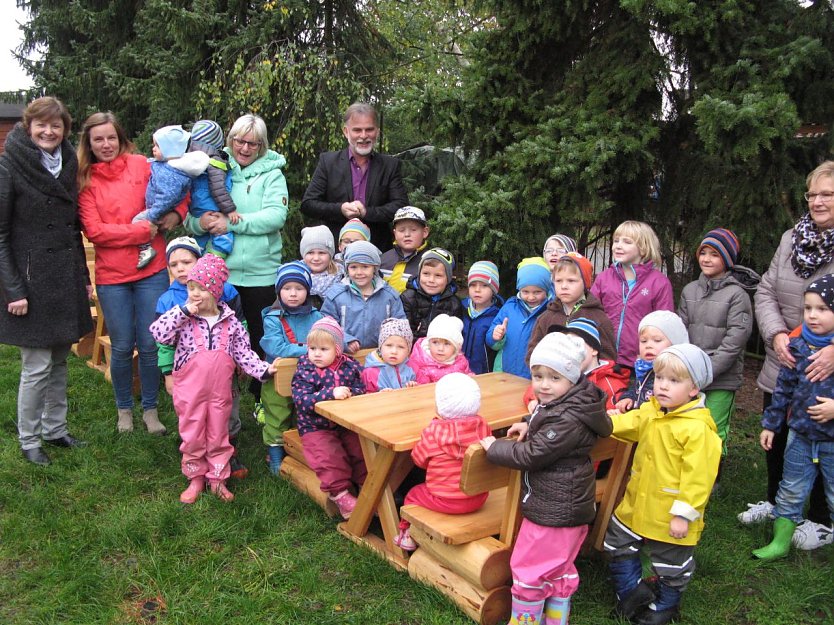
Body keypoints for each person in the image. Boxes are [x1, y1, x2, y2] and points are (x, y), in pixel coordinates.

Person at [482, 332, 612, 625]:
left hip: (553, 510)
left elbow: (532, 456)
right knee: (559, 567)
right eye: (537, 375)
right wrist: (529, 422)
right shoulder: (575, 403)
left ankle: (524, 620)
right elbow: (548, 418)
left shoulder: (568, 418)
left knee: (528, 566)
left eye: (554, 377)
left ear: (571, 378)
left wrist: (495, 447)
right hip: (570, 505)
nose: (543, 384)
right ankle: (555, 619)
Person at [739, 161, 834, 550]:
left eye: (827, 194)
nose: (817, 201)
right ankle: (779, 502)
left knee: (822, 439)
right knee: (776, 434)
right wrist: (777, 334)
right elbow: (764, 290)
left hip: (826, 367)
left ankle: (819, 519)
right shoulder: (790, 238)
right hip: (786, 359)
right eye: (812, 194)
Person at [78, 111, 185, 434]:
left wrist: (176, 217)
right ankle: (124, 408)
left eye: (111, 137)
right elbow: (96, 231)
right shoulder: (85, 180)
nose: (106, 144)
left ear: (121, 138)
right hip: (113, 277)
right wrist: (141, 232)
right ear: (90, 144)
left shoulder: (142, 164)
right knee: (123, 345)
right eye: (99, 139)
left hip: (151, 270)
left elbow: (179, 189)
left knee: (152, 343)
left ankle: (150, 409)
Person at [0, 96, 93, 465]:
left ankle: (56, 430)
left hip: (64, 279)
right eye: (41, 124)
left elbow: (72, 230)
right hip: (30, 283)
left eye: (56, 125)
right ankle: (29, 439)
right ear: (28, 126)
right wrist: (13, 289)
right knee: (36, 367)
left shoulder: (68, 164)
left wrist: (83, 277)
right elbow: (1, 235)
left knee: (58, 361)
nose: (48, 131)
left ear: (65, 130)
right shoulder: (9, 166)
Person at [605, 344, 721, 625]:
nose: (663, 386)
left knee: (671, 564)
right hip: (636, 503)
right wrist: (604, 422)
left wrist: (683, 514)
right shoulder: (653, 411)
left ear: (694, 389)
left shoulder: (697, 429)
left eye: (674, 380)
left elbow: (698, 479)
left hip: (670, 513)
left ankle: (665, 606)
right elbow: (629, 423)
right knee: (616, 543)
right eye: (659, 379)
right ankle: (633, 593)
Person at [150, 255, 277, 503]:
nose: (195, 293)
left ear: (216, 292)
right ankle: (195, 477)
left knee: (219, 434)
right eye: (191, 288)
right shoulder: (184, 318)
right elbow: (158, 332)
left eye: (201, 289)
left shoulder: (230, 322)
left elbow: (243, 352)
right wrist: (182, 312)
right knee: (193, 434)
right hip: (190, 391)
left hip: (220, 391)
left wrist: (262, 369)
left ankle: (218, 479)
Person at [185, 114, 289, 412]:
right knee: (214, 340)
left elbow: (275, 216)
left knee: (259, 340)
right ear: (230, 140)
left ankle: (260, 400)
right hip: (219, 273)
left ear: (262, 145)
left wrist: (232, 224)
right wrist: (199, 222)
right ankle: (217, 400)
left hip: (260, 273)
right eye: (239, 141)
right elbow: (194, 210)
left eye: (252, 143)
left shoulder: (272, 174)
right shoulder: (212, 164)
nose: (244, 148)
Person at [753, 275, 834, 559]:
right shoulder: (798, 346)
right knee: (791, 488)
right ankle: (780, 542)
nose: (813, 315)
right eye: (808, 308)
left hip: (831, 441)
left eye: (823, 309)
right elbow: (783, 389)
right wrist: (771, 426)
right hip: (800, 435)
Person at [155, 237, 249, 477]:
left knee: (227, 411)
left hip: (223, 369)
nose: (180, 268)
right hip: (190, 374)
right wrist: (167, 372)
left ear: (199, 261)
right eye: (174, 264)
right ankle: (196, 458)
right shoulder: (169, 300)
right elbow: (162, 341)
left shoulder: (226, 291)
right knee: (193, 416)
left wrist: (241, 359)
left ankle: (228, 454)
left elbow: (240, 325)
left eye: (186, 261)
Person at [678, 228, 758, 458]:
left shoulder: (737, 295)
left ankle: (713, 476)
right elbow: (681, 330)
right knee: (689, 425)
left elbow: (735, 340)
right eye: (703, 252)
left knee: (713, 427)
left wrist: (708, 371)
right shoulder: (690, 290)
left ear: (727, 259)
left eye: (714, 254)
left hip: (722, 377)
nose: (706, 259)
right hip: (691, 374)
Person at [394, 373, 493, 551]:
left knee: (413, 494)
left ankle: (406, 533)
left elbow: (418, 459)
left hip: (445, 500)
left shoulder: (434, 433)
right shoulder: (483, 426)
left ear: (440, 406)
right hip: (479, 497)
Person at [300, 102, 409, 251]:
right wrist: (340, 209)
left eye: (369, 129)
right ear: (346, 131)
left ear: (377, 131)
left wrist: (367, 212)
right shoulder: (328, 162)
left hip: (377, 252)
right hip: (335, 254)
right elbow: (308, 204)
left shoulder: (390, 166)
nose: (363, 136)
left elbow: (401, 207)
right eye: (357, 130)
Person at [291, 317, 366, 519]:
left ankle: (367, 489)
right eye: (312, 348)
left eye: (323, 349)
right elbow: (301, 399)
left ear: (338, 350)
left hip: (346, 423)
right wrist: (330, 393)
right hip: (315, 427)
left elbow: (363, 388)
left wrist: (351, 392)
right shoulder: (305, 369)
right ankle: (340, 495)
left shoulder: (350, 367)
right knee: (328, 456)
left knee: (360, 449)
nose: (316, 354)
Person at [259, 261, 324, 474]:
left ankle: (298, 450)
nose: (293, 294)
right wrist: (309, 349)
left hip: (308, 377)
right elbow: (276, 346)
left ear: (308, 290)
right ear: (279, 291)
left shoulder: (315, 316)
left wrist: (347, 339)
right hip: (279, 376)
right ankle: (275, 452)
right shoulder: (272, 317)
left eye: (299, 288)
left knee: (303, 413)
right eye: (287, 289)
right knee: (277, 412)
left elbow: (330, 334)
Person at [590, 220, 674, 368]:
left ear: (643, 249)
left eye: (627, 242)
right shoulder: (604, 278)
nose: (618, 245)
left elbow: (665, 326)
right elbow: (590, 313)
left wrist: (652, 354)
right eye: (616, 241)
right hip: (603, 358)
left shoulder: (659, 283)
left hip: (639, 362)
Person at [132, 125, 210, 269]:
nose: (153, 148)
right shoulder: (166, 165)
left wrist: (155, 213)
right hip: (156, 209)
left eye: (157, 146)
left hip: (156, 211)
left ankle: (145, 248)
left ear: (169, 149)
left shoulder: (170, 172)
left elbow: (169, 196)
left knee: (137, 221)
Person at [523, 318, 630, 414]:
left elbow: (610, 419)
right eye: (565, 345)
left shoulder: (610, 383)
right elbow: (538, 384)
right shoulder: (564, 371)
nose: (570, 351)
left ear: (594, 350)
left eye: (576, 345)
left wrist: (614, 413)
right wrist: (533, 399)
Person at [526, 252, 617, 364]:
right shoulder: (545, 318)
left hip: (587, 380)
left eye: (571, 281)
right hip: (551, 379)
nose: (564, 286)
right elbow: (532, 355)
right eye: (559, 281)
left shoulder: (598, 318)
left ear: (585, 283)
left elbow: (608, 360)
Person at [320, 240, 405, 351]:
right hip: (346, 357)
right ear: (347, 269)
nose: (359, 272)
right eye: (354, 267)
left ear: (374, 268)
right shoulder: (336, 295)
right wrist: (345, 340)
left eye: (365, 267)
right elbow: (326, 325)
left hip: (381, 356)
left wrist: (389, 346)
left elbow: (400, 327)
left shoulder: (389, 296)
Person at [487, 257, 554, 379]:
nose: (531, 297)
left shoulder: (550, 312)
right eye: (526, 291)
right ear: (519, 289)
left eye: (537, 292)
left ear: (547, 289)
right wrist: (496, 336)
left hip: (533, 377)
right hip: (504, 374)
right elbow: (491, 340)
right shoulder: (509, 307)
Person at [612, 310, 689, 414]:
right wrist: (628, 398)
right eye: (643, 341)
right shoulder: (643, 369)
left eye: (657, 340)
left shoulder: (674, 372)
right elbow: (637, 389)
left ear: (675, 344)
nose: (648, 345)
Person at [187, 119, 241, 258]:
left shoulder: (189, 161)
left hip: (197, 209)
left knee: (201, 241)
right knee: (223, 238)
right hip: (212, 208)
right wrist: (230, 209)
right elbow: (218, 188)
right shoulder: (214, 162)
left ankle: (201, 261)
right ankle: (213, 261)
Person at [401, 247, 463, 338]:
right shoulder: (408, 298)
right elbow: (402, 334)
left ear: (448, 279)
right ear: (419, 274)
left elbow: (455, 337)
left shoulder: (454, 303)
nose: (431, 280)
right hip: (412, 349)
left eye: (438, 275)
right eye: (426, 274)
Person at [462, 261, 504, 374]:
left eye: (484, 285)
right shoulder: (461, 308)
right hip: (459, 369)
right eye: (473, 285)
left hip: (484, 373)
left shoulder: (499, 315)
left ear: (494, 289)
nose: (477, 290)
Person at [409, 314, 473, 384]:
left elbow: (468, 376)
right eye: (435, 342)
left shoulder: (461, 361)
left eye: (447, 344)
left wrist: (470, 378)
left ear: (455, 347)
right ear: (429, 343)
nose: (440, 348)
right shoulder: (419, 362)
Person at [380, 206, 430, 293]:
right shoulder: (383, 259)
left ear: (425, 232)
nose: (407, 234)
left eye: (413, 230)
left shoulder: (430, 261)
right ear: (395, 233)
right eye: (401, 230)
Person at [361, 317, 418, 392]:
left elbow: (425, 388)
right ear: (380, 347)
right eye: (389, 345)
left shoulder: (413, 368)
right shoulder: (370, 372)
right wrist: (378, 396)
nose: (394, 351)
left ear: (408, 351)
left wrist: (416, 387)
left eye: (401, 347)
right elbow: (364, 396)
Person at [299, 225, 343, 309]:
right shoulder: (296, 276)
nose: (316, 258)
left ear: (330, 255)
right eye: (310, 253)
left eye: (322, 253)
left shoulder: (341, 276)